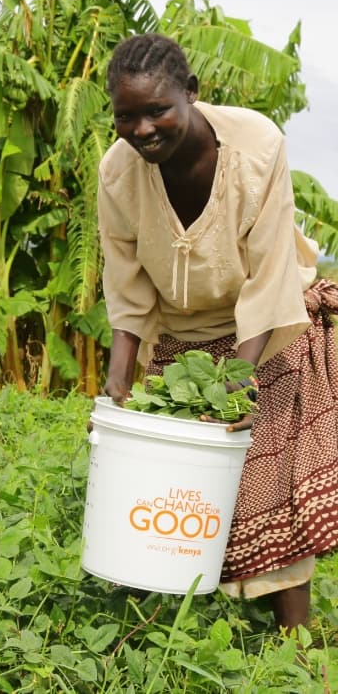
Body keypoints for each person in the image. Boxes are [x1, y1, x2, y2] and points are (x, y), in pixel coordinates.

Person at [97, 33, 338, 633]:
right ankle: (159, 626)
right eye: (126, 116)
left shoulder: (258, 147)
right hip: (180, 338)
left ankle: (296, 644)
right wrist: (118, 386)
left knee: (266, 478)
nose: (143, 129)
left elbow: (268, 276)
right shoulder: (117, 174)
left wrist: (235, 384)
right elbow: (125, 284)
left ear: (192, 95)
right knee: (169, 489)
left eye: (158, 110)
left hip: (266, 326)